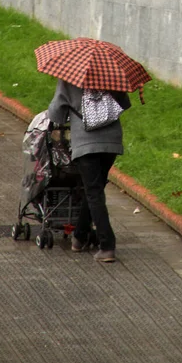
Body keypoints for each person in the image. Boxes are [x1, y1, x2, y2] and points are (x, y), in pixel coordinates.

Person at [47, 79, 131, 263]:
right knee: (94, 188)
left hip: (85, 143)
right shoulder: (110, 76)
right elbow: (125, 104)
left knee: (94, 192)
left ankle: (107, 245)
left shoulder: (70, 79)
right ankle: (79, 236)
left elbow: (56, 113)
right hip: (111, 142)